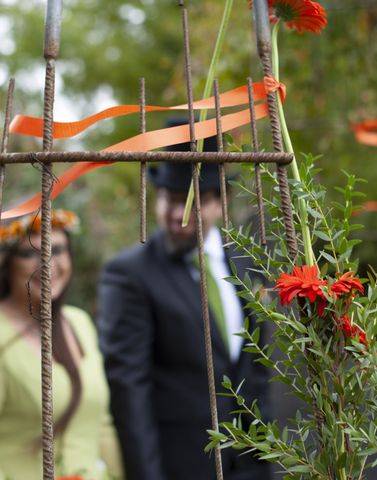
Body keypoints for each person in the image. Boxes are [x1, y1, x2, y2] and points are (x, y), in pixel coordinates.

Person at [98, 126, 271, 480]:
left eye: (193, 201)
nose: (178, 214)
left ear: (219, 202)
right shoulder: (129, 274)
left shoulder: (247, 262)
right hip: (180, 466)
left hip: (250, 464)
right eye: (170, 198)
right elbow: (129, 392)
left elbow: (255, 366)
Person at [0, 209, 123, 480]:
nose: (47, 263)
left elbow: (100, 426)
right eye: (30, 253)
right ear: (7, 263)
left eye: (57, 250)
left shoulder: (79, 324)